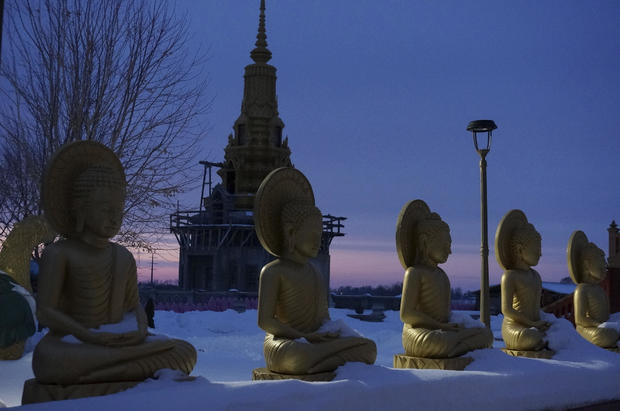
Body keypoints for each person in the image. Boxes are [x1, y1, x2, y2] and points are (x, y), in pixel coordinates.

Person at [32, 141, 196, 386]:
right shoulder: (59, 253)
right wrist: (86, 334)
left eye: (118, 210)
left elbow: (133, 306)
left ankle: (107, 371)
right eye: (105, 209)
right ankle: (119, 370)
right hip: (74, 344)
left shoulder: (122, 256)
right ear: (80, 209)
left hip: (122, 344)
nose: (113, 218)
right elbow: (45, 311)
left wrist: (141, 329)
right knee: (47, 359)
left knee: (185, 351)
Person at [255, 168, 376, 375]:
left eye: (319, 235)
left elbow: (323, 317)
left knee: (368, 348)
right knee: (295, 357)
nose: (317, 242)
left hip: (316, 341)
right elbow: (265, 321)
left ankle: (319, 361)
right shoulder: (273, 271)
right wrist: (303, 336)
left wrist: (326, 334)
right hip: (286, 342)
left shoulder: (315, 271)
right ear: (291, 232)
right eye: (311, 235)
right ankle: (325, 360)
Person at [397, 200, 492, 359]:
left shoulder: (442, 275)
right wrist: (438, 326)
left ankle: (454, 347)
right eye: (444, 244)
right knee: (438, 342)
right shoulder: (414, 272)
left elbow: (444, 313)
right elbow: (406, 315)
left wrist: (452, 327)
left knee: (486, 334)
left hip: (443, 331)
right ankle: (455, 347)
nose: (449, 250)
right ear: (425, 241)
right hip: (419, 332)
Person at [496, 210, 550, 352]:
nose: (540, 253)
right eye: (536, 249)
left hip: (534, 324)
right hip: (515, 326)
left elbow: (535, 308)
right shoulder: (510, 276)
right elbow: (507, 310)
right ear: (520, 249)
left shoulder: (536, 276)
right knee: (531, 337)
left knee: (555, 332)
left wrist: (541, 323)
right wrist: (531, 323)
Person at [569, 231, 619, 348]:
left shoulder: (600, 290)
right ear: (587, 264)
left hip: (603, 326)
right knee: (606, 335)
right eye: (600, 263)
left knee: (611, 332)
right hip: (587, 329)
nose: (604, 267)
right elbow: (580, 319)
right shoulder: (582, 289)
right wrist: (599, 325)